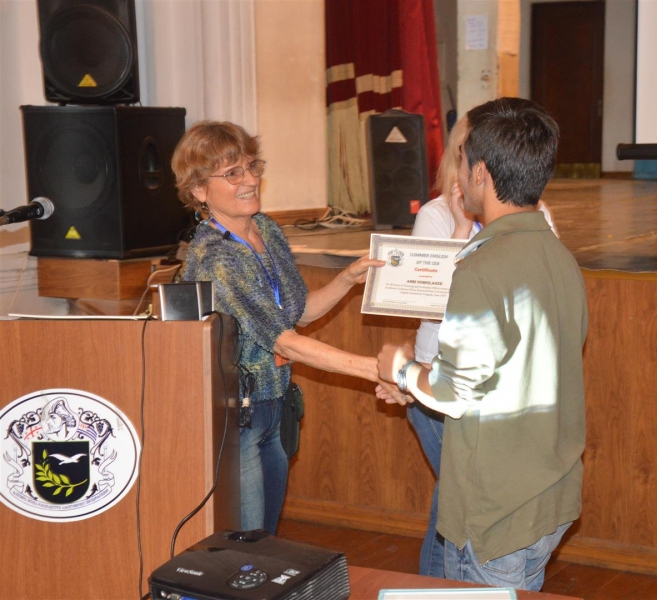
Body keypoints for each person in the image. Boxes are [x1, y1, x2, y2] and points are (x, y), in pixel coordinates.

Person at [377, 98, 588, 591]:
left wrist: (401, 369)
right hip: (549, 493)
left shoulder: (481, 268)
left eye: (463, 159)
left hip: (497, 511)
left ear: (480, 174)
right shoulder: (557, 254)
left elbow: (454, 392)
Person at [172, 121, 401, 535]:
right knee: (248, 545)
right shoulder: (216, 258)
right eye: (233, 173)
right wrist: (377, 370)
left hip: (274, 405)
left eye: (252, 166)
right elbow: (286, 343)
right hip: (236, 417)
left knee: (267, 537)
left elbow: (298, 314)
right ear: (199, 191)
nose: (250, 180)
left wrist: (346, 279)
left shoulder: (266, 229)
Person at [408, 115, 560, 578]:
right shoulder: (435, 214)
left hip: (496, 388)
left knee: (459, 506)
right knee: (458, 504)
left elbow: (539, 295)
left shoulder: (533, 217)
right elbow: (431, 305)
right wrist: (459, 230)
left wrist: (395, 370)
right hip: (438, 376)